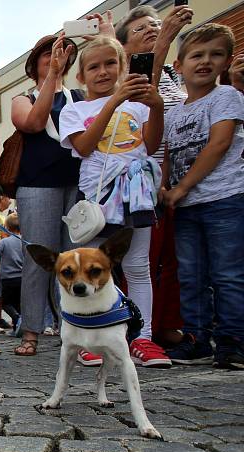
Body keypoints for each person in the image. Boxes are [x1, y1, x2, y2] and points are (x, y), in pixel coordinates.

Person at [59, 37, 169, 368]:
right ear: (81, 76)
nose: (103, 72)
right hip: (96, 199)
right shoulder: (74, 110)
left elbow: (150, 145)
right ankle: (89, 339)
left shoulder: (138, 106)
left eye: (110, 64)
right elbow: (85, 146)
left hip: (135, 195)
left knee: (137, 267)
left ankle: (143, 338)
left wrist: (157, 107)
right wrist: (114, 102)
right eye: (93, 66)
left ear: (122, 68)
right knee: (87, 268)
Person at [162, 24, 244, 368]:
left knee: (228, 273)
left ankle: (233, 341)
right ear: (179, 65)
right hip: (186, 206)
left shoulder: (227, 97)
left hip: (224, 199)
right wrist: (166, 187)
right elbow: (167, 154)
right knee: (191, 275)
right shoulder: (176, 111)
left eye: (215, 55)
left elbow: (219, 144)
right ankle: (196, 338)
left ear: (226, 61)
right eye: (197, 55)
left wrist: (181, 187)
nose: (205, 62)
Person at [115, 4, 195, 352]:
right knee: (144, 260)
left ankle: (166, 325)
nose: (151, 30)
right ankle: (138, 329)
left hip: (188, 174)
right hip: (147, 178)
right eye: (141, 29)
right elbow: (143, 96)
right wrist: (163, 39)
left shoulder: (175, 76)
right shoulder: (129, 76)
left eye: (155, 25)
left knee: (179, 258)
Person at [11, 34, 82, 357]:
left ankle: (81, 331)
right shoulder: (23, 98)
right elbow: (35, 123)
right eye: (47, 55)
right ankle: (32, 331)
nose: (55, 58)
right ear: (35, 61)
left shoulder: (78, 95)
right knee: (38, 260)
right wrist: (51, 77)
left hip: (77, 184)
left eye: (62, 54)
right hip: (37, 184)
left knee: (77, 259)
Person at [0, 213, 24, 329]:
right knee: (18, 304)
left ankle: (17, 318)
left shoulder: (4, 242)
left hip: (8, 279)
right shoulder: (24, 242)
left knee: (6, 303)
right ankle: (18, 327)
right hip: (22, 278)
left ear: (7, 228)